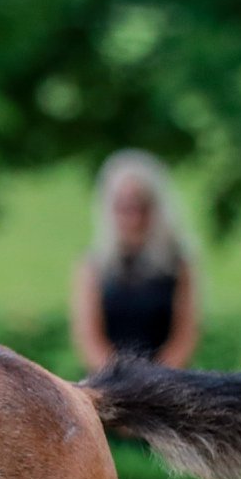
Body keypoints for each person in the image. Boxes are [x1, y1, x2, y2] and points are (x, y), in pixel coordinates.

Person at [70, 150, 200, 371]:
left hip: (167, 381)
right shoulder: (94, 266)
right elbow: (89, 339)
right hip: (109, 381)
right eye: (124, 208)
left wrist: (156, 380)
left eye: (140, 207)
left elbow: (185, 337)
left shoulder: (176, 265)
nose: (133, 218)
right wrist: (121, 379)